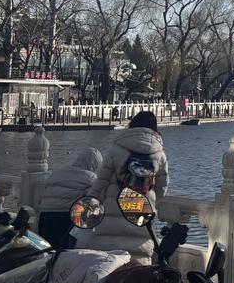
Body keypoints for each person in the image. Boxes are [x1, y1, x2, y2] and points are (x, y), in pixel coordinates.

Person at [72, 111, 169, 260]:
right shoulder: (159, 153)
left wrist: (91, 198)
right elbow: (162, 187)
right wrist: (152, 202)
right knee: (138, 256)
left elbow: (101, 180)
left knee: (108, 257)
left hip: (113, 207)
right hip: (141, 208)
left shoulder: (116, 149)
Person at [39, 146, 102, 246]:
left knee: (46, 249)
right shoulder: (91, 178)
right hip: (65, 217)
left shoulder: (58, 172)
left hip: (44, 216)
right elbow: (93, 196)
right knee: (63, 249)